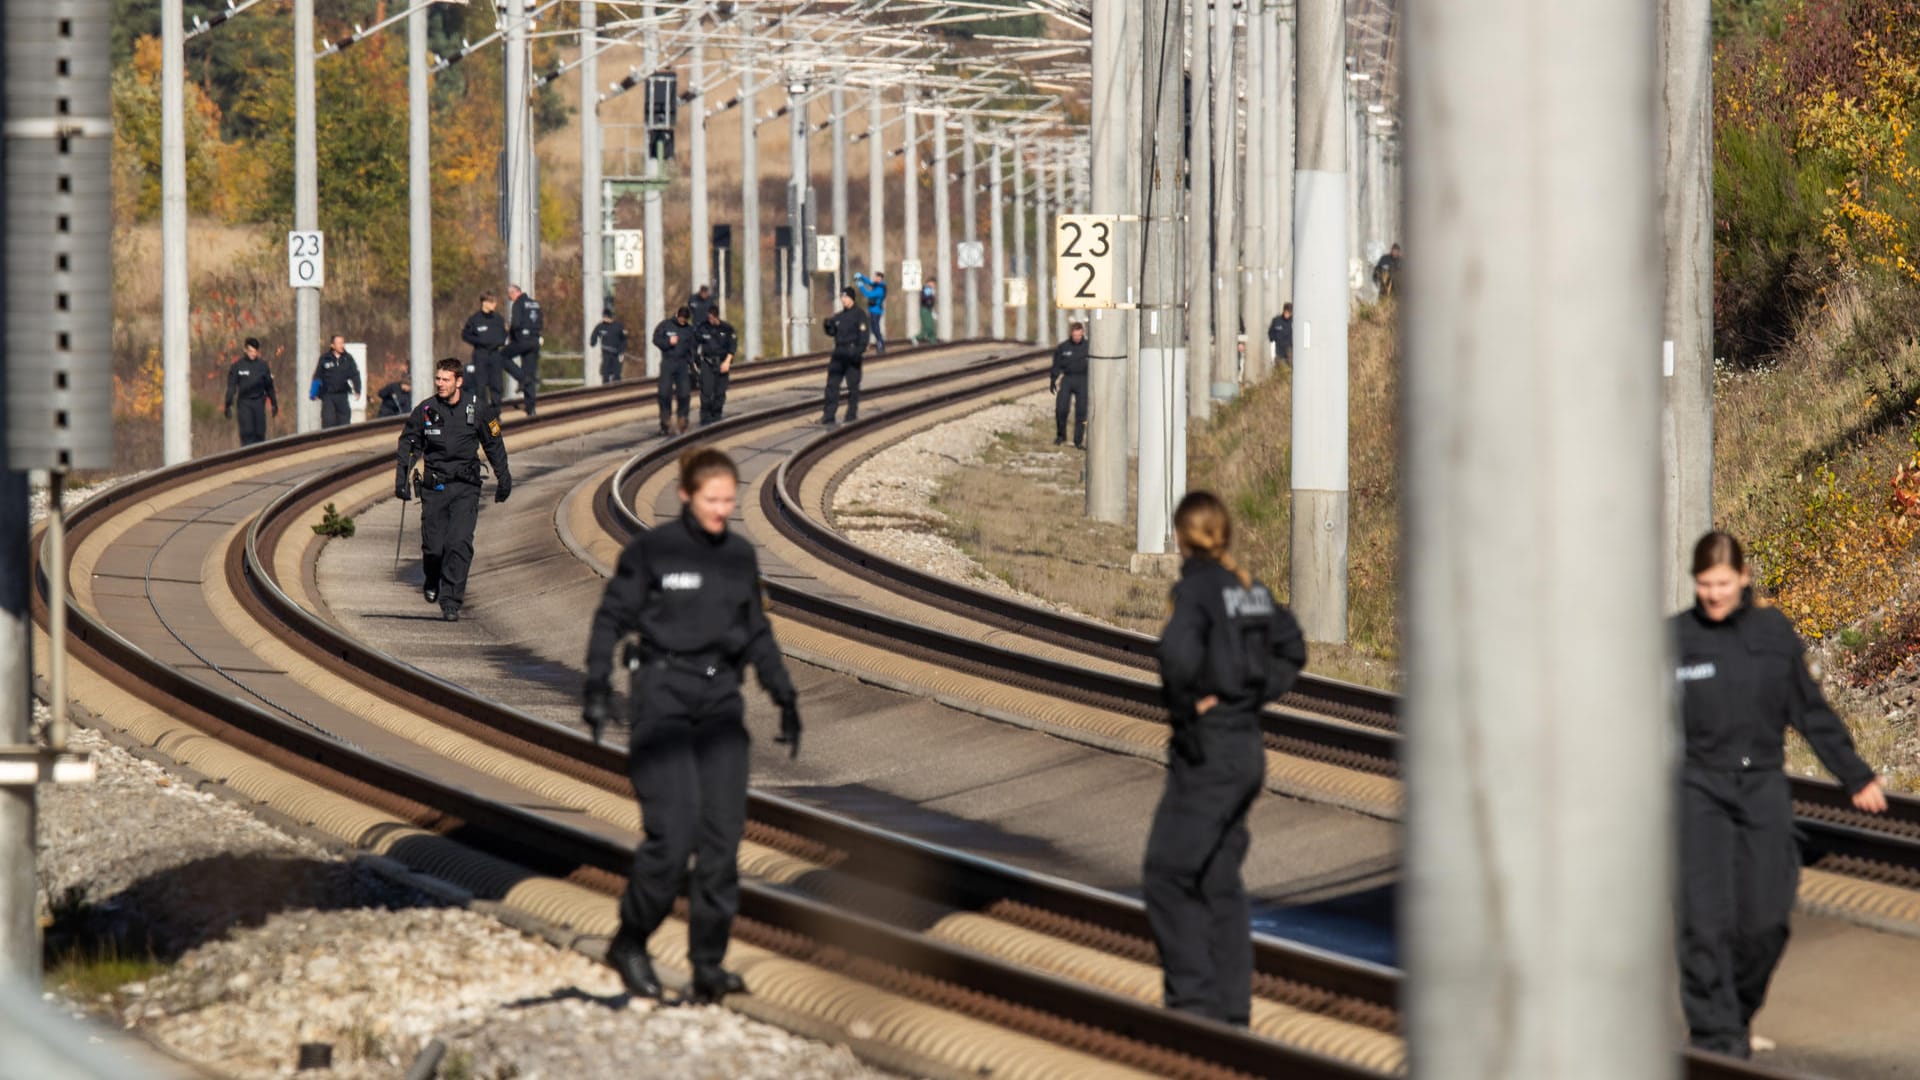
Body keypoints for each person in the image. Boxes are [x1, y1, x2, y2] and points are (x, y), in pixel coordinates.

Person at [582, 447, 804, 1003]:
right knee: (673, 835)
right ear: (686, 496)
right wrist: (595, 684)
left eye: (729, 501)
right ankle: (630, 940)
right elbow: (610, 617)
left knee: (722, 841)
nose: (721, 510)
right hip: (662, 697)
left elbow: (756, 631)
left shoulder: (738, 557)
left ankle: (708, 964)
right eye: (712, 500)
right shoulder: (653, 552)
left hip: (720, 702)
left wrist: (784, 695)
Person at [1672, 531, 1887, 1058]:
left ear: (1743, 578)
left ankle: (1734, 1016)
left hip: (1762, 786)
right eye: (1704, 585)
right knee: (1704, 921)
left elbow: (1810, 710)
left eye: (1722, 583)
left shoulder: (1772, 635)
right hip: (1698, 788)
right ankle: (1716, 1040)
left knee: (1765, 921)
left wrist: (1855, 775)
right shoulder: (1673, 640)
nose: (1714, 594)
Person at [1145, 491, 1306, 1027]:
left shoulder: (1195, 590)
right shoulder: (1248, 588)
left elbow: (1175, 657)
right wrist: (1253, 692)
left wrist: (1193, 707)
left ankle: (1191, 1006)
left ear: (1181, 536)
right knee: (1218, 879)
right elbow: (1293, 646)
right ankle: (1231, 1012)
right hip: (1247, 748)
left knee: (1167, 874)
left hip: (1209, 751)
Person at [394, 358, 512, 622]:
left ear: (459, 382)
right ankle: (432, 578)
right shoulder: (425, 410)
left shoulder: (478, 409)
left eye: (446, 380)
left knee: (458, 543)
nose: (440, 384)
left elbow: (494, 444)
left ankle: (451, 601)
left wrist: (504, 478)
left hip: (465, 487)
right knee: (434, 548)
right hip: (434, 486)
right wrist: (401, 479)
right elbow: (409, 443)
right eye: (438, 379)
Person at [820, 288, 870, 426]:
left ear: (852, 298)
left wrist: (857, 351)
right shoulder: (839, 316)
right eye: (842, 297)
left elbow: (864, 337)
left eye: (846, 297)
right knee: (832, 385)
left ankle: (851, 415)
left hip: (852, 353)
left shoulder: (860, 315)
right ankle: (829, 415)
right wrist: (827, 326)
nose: (843, 300)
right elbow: (832, 332)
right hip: (839, 353)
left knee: (853, 386)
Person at [223, 338, 278, 447]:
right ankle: (248, 457)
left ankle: (260, 458)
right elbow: (231, 387)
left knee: (259, 433)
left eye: (255, 351)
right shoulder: (238, 366)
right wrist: (228, 405)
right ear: (245, 350)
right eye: (250, 351)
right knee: (247, 433)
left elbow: (269, 387)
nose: (253, 354)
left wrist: (274, 403)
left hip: (258, 402)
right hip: (244, 403)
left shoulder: (263, 366)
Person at [501, 283, 545, 416]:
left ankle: (521, 378)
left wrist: (510, 336)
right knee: (530, 373)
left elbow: (515, 324)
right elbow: (541, 322)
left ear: (514, 292)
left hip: (522, 340)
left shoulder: (518, 304)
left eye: (510, 296)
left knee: (501, 356)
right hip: (535, 341)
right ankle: (531, 408)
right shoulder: (535, 304)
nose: (510, 299)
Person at [652, 306, 697, 436]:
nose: (682, 321)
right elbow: (656, 339)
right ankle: (665, 422)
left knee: (684, 393)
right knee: (664, 393)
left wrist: (693, 364)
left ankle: (683, 420)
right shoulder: (665, 325)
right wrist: (668, 342)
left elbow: (691, 349)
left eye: (685, 320)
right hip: (668, 362)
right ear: (677, 315)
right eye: (681, 318)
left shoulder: (689, 330)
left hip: (682, 364)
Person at [460, 292, 509, 407]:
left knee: (496, 385)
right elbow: (465, 335)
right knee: (480, 386)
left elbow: (505, 333)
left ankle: (496, 413)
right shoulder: (475, 319)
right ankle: (484, 413)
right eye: (492, 302)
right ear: (484, 303)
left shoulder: (498, 319)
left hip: (495, 354)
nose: (495, 305)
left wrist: (500, 341)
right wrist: (479, 341)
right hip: (481, 354)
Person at [1050, 321, 1089, 448]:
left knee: (1082, 412)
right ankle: (1061, 435)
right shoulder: (1063, 347)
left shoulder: (1089, 346)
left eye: (1079, 335)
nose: (1077, 338)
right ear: (1071, 334)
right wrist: (1053, 379)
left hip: (1083, 380)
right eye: (1074, 336)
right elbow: (1056, 365)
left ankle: (1078, 440)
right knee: (1061, 408)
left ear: (1082, 333)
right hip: (1068, 379)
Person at [694, 306, 737, 425]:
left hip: (722, 363)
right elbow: (694, 344)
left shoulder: (727, 328)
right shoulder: (703, 328)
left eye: (712, 318)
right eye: (709, 318)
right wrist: (695, 362)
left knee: (720, 392)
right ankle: (705, 418)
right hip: (707, 363)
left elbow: (732, 347)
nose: (710, 320)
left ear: (716, 316)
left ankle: (717, 416)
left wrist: (727, 362)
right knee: (706, 392)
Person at [310, 335, 362, 429]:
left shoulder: (348, 358)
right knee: (328, 420)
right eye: (339, 343)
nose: (341, 345)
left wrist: (357, 389)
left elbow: (355, 374)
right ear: (332, 345)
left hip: (342, 394)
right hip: (328, 395)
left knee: (344, 421)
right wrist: (314, 392)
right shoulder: (325, 358)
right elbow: (318, 376)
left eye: (342, 343)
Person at [853, 269, 888, 355]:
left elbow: (868, 294)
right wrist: (861, 276)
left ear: (880, 278)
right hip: (872, 310)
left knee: (875, 328)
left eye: (876, 277)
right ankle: (874, 344)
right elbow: (869, 282)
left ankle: (881, 345)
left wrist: (860, 285)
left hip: (876, 311)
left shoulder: (880, 289)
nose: (875, 279)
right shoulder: (877, 285)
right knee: (871, 328)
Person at [590, 308, 629, 384]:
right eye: (604, 317)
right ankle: (605, 389)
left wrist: (622, 350)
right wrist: (593, 342)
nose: (605, 318)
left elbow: (624, 339)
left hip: (617, 353)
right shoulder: (601, 326)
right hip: (606, 353)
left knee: (617, 373)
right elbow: (594, 335)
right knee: (605, 373)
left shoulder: (618, 326)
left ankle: (617, 388)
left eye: (607, 317)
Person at [917, 277, 937, 344]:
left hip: (928, 310)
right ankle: (917, 338)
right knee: (928, 327)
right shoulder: (927, 289)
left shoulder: (930, 290)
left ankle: (933, 341)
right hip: (925, 309)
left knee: (930, 326)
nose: (934, 285)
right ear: (929, 282)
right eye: (932, 283)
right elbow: (925, 298)